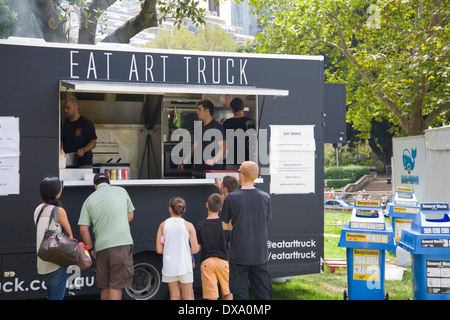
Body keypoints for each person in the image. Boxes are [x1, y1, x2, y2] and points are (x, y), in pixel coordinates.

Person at [78, 173, 135, 300]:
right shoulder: (121, 191)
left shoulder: (89, 200)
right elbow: (130, 215)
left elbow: (83, 229)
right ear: (109, 183)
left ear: (95, 185)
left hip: (101, 247)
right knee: (116, 285)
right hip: (121, 244)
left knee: (105, 285)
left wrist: (91, 248)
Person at [220, 161, 272, 300]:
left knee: (239, 295)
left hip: (239, 255)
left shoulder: (231, 197)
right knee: (262, 295)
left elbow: (225, 226)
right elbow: (264, 219)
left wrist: (230, 226)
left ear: (241, 175)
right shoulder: (265, 197)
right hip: (260, 255)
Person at [34, 176, 74, 300]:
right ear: (56, 191)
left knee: (51, 294)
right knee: (56, 296)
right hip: (57, 260)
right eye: (60, 187)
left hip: (42, 259)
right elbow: (70, 236)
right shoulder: (58, 211)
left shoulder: (38, 210)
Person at [156, 196, 199, 300]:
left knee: (174, 296)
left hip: (169, 266)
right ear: (184, 210)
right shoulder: (189, 225)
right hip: (185, 265)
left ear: (170, 208)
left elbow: (159, 250)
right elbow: (195, 250)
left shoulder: (163, 225)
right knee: (188, 296)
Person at [196, 193, 233, 300]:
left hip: (207, 262)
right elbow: (230, 243)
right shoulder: (225, 225)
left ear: (207, 205)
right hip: (223, 262)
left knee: (211, 295)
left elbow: (198, 248)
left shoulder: (200, 226)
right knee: (228, 292)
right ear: (221, 208)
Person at [178, 99, 226, 177]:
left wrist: (214, 160)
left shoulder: (216, 127)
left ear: (207, 111)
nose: (197, 112)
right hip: (199, 170)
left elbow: (223, 146)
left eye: (199, 109)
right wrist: (185, 160)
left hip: (212, 171)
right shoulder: (200, 127)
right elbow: (195, 145)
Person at [62, 96, 97, 167]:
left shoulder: (86, 123)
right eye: (64, 108)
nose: (65, 110)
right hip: (68, 163)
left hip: (84, 163)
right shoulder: (63, 124)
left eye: (68, 108)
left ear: (76, 107)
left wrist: (83, 150)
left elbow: (93, 142)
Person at [223, 98, 255, 170]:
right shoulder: (251, 122)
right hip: (247, 160)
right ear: (243, 108)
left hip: (232, 159)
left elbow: (225, 142)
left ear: (232, 109)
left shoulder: (227, 123)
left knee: (230, 181)